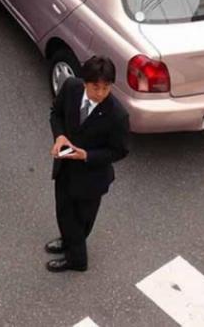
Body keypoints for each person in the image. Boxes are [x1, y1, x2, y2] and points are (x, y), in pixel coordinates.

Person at [46, 56, 129, 272]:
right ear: (84, 82)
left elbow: (119, 151)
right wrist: (60, 136)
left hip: (92, 178)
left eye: (106, 87)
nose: (100, 93)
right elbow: (56, 113)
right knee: (63, 211)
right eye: (95, 87)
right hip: (65, 167)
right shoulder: (71, 88)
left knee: (81, 220)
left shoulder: (117, 115)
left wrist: (87, 155)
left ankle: (77, 260)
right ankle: (68, 241)